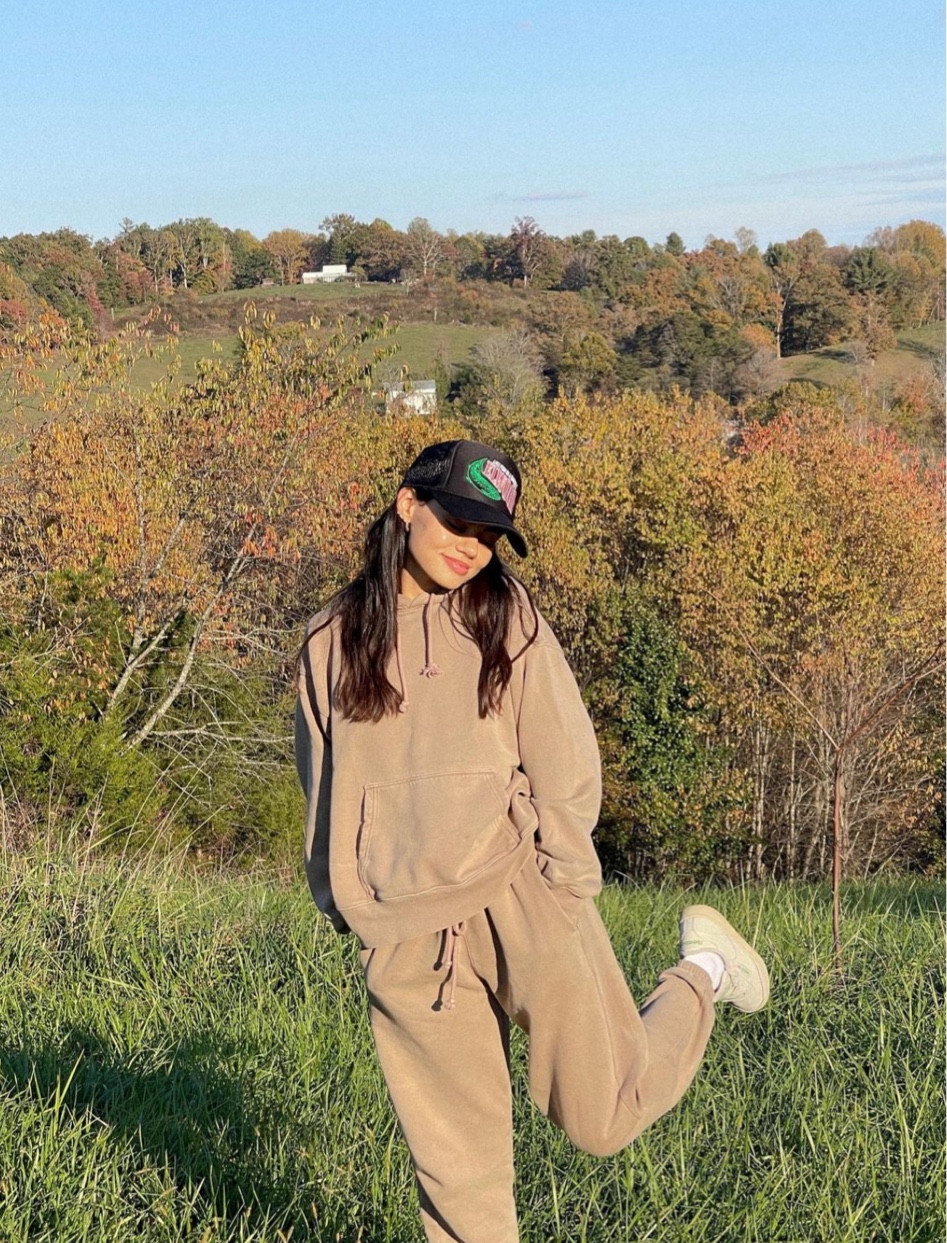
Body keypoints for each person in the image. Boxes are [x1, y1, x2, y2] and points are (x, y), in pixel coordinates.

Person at [295, 439, 770, 1243]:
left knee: (602, 1115)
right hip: (406, 937)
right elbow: (324, 785)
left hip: (520, 896)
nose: (468, 548)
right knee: (459, 1176)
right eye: (457, 521)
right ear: (407, 505)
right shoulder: (329, 640)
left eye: (487, 536)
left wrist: (561, 885)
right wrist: (345, 901)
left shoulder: (503, 618)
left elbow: (566, 763)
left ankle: (704, 968)